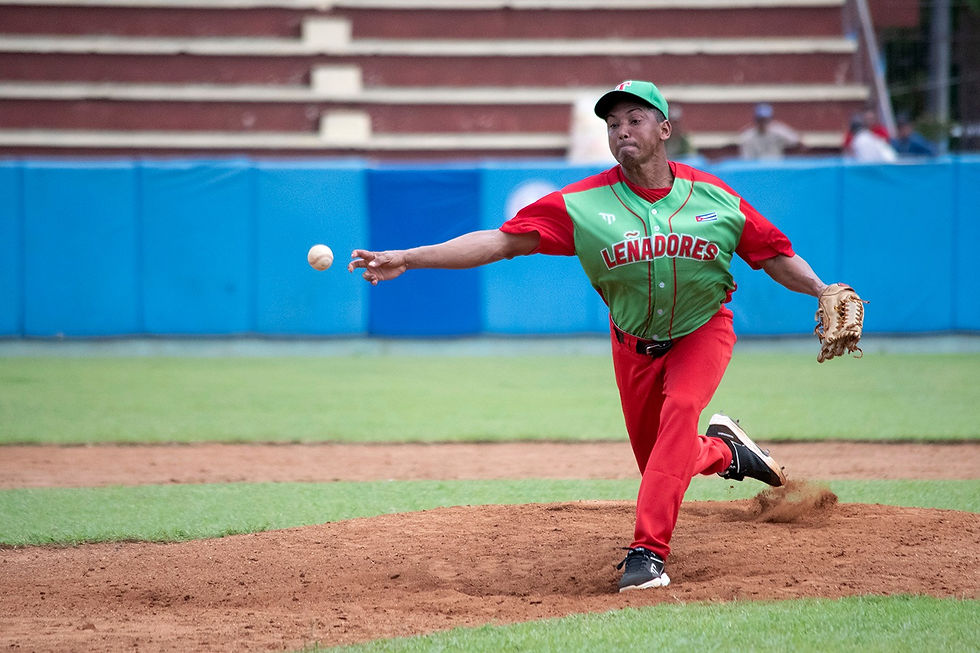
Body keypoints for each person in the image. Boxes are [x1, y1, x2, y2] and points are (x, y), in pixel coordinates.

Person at [348, 80, 841, 593]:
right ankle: (725, 452)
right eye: (612, 124)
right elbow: (498, 242)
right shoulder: (584, 204)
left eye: (635, 118)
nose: (622, 129)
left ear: (664, 129)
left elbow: (773, 255)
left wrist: (821, 289)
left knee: (679, 417)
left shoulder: (716, 198)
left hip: (703, 330)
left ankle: (647, 554)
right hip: (633, 345)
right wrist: (408, 256)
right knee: (660, 462)